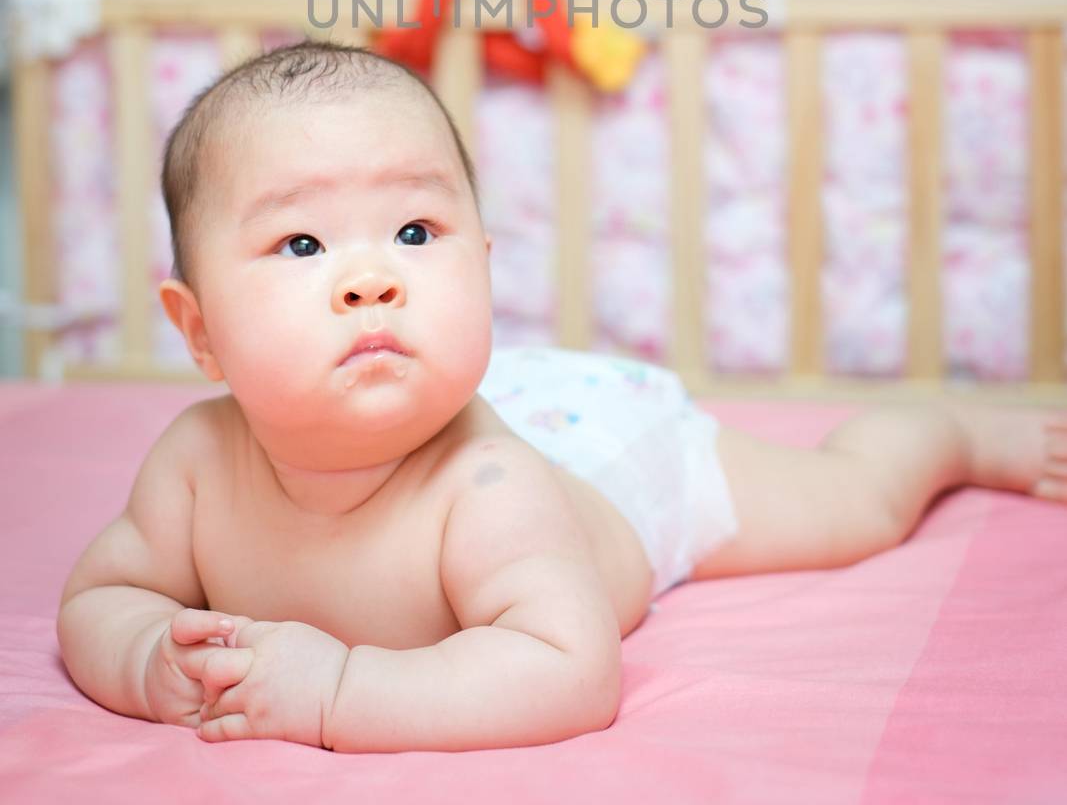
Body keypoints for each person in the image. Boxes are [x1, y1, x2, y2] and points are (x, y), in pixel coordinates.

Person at [56, 42, 1067, 752]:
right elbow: (100, 597)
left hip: (622, 462)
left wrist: (339, 691)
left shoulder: (482, 485)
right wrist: (147, 656)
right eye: (302, 243)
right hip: (542, 402)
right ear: (197, 331)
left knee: (854, 506)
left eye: (415, 232)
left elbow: (567, 670)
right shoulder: (194, 466)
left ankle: (944, 434)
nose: (372, 280)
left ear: (483, 266)